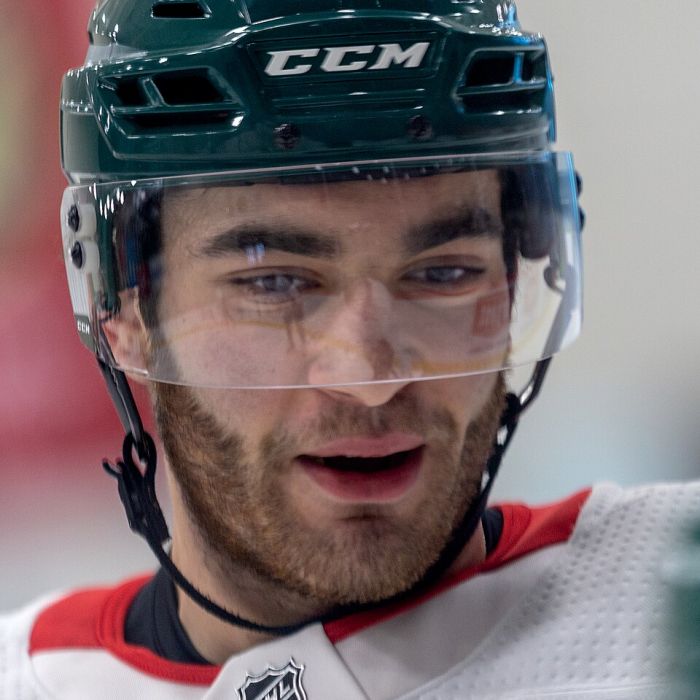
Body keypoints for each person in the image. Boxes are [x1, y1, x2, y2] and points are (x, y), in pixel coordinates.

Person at [2, 1, 698, 698]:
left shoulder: (671, 600)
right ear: (122, 309)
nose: (370, 379)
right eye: (274, 284)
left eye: (444, 274)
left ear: (517, 279)